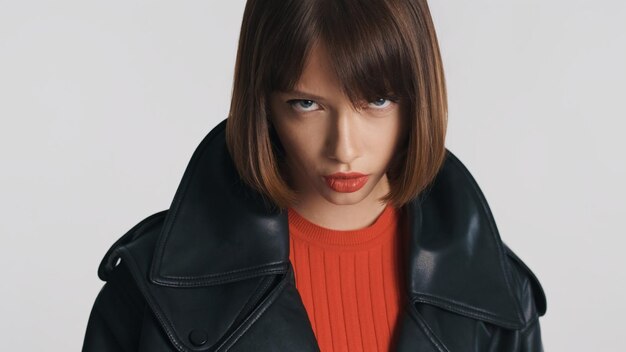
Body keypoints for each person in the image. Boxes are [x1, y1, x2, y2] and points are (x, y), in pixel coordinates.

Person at [82, 0, 547, 351]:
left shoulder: (499, 302)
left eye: (378, 101)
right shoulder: (148, 292)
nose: (344, 148)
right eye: (306, 104)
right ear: (261, 102)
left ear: (419, 99)